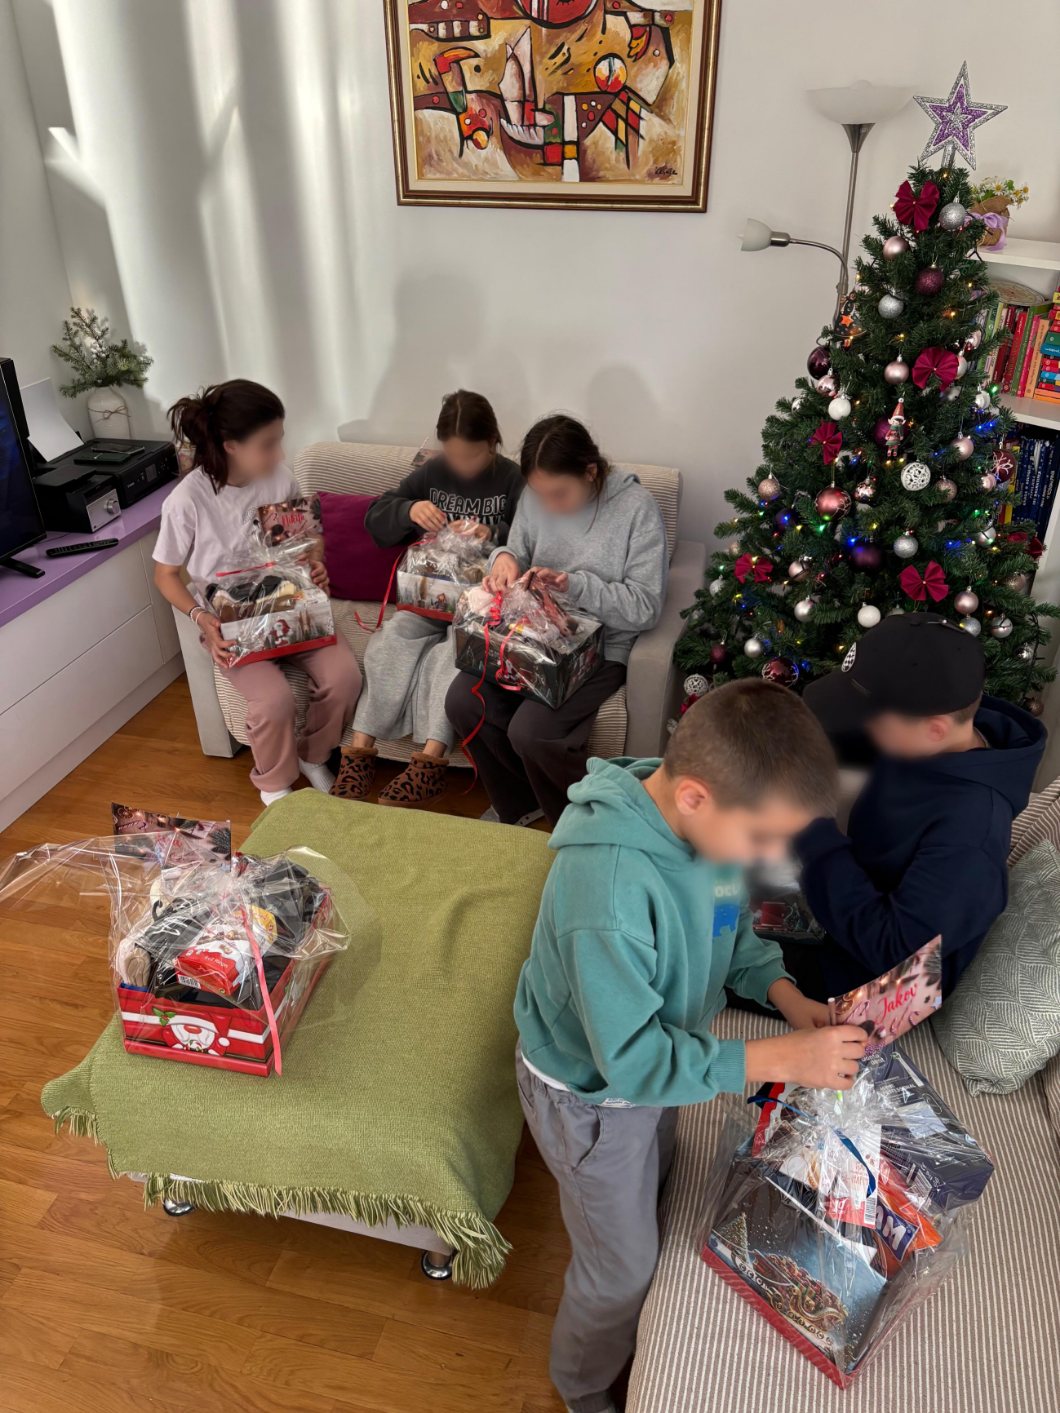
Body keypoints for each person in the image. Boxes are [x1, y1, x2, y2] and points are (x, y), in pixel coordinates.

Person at [514, 680, 867, 1413]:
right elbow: (633, 1064)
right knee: (619, 1269)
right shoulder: (607, 891)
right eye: (763, 840)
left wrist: (785, 996)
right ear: (697, 797)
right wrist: (777, 1059)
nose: (772, 858)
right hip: (592, 1098)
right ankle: (582, 1388)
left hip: (658, 1064)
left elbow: (729, 930)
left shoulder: (707, 829)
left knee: (658, 1179)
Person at [790, 612, 1046, 1000]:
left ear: (935, 729)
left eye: (871, 721)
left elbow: (895, 954)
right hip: (835, 913)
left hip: (866, 984)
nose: (861, 728)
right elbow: (858, 738)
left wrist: (812, 831)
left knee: (704, 943)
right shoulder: (934, 732)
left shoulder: (970, 832)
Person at [446, 414, 668, 827]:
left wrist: (576, 586)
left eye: (560, 495)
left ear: (591, 472)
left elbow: (645, 606)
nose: (548, 506)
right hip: (531, 635)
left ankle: (589, 821)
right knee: (462, 701)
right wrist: (504, 560)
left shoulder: (637, 509)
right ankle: (519, 806)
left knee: (532, 731)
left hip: (601, 647)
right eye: (540, 495)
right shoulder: (535, 499)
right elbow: (517, 550)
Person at [154, 380, 361, 807]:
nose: (280, 454)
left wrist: (315, 562)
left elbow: (306, 539)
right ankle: (275, 784)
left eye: (279, 440)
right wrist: (201, 618)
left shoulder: (279, 479)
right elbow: (166, 575)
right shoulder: (187, 501)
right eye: (268, 444)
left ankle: (312, 755)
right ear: (230, 446)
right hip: (233, 623)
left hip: (292, 606)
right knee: (273, 700)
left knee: (345, 678)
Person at [332, 389, 522, 806]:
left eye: (472, 456)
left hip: (479, 608)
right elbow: (377, 519)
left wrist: (495, 534)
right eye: (453, 455)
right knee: (390, 644)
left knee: (450, 658)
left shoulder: (512, 478)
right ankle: (359, 753)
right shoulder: (433, 472)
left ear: (493, 442)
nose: (461, 465)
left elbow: (533, 537)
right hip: (426, 599)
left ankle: (430, 763)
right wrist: (410, 509)